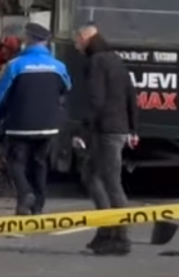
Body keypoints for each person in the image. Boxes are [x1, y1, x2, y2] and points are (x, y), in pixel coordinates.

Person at [0, 23, 71, 216]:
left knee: (16, 162)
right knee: (40, 163)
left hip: (20, 125)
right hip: (48, 126)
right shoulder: (59, 66)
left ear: (29, 40)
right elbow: (66, 89)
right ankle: (38, 205)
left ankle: (25, 195)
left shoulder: (15, 65)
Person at [72, 23, 138, 255]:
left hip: (105, 130)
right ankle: (107, 230)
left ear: (85, 37)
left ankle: (117, 235)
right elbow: (131, 94)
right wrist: (133, 128)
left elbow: (95, 100)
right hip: (118, 128)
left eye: (77, 41)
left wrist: (83, 132)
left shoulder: (96, 62)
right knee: (97, 177)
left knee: (106, 180)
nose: (75, 46)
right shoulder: (115, 59)